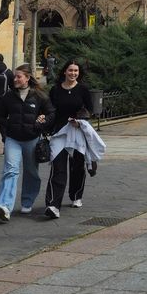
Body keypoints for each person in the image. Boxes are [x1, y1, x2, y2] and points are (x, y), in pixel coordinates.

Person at [0, 65, 54, 222]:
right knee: (10, 170)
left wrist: (41, 123)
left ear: (27, 78)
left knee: (31, 171)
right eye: (14, 76)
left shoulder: (39, 96)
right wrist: (7, 130)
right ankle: (4, 206)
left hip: (32, 139)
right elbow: (0, 116)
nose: (15, 79)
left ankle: (27, 201)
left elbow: (51, 113)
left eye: (18, 76)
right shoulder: (8, 96)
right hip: (13, 139)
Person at [43, 60, 96, 218]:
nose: (73, 73)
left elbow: (90, 110)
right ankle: (53, 205)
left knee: (77, 167)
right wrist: (45, 123)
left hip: (77, 133)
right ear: (64, 72)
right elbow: (50, 110)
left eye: (76, 71)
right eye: (70, 70)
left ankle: (76, 195)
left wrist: (80, 120)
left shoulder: (83, 90)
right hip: (59, 133)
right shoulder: (55, 90)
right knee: (58, 168)